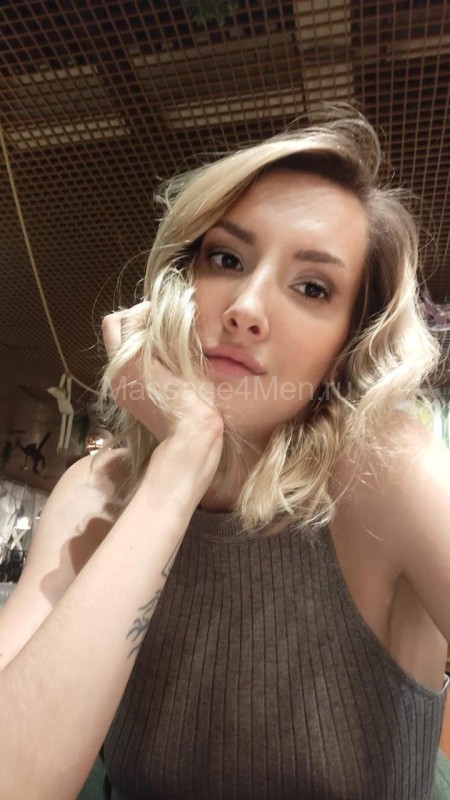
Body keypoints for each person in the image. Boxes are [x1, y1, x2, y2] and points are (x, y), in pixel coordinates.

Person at [0, 110, 449, 800]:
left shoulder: (388, 471)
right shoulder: (97, 491)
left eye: (312, 288)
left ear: (347, 348)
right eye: (227, 260)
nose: (245, 308)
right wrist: (181, 462)